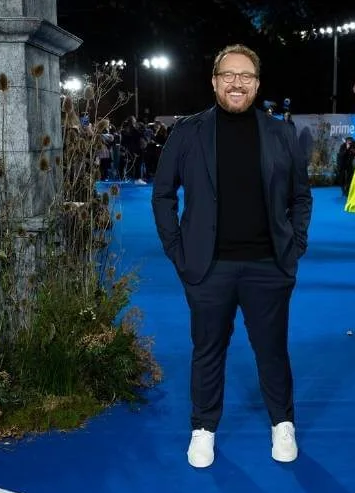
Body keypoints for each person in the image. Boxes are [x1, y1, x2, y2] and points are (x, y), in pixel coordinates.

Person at [151, 44, 313, 468]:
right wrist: (177, 252)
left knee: (272, 350)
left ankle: (283, 424)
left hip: (269, 266)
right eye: (229, 75)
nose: (237, 83)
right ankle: (203, 429)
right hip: (207, 267)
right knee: (207, 350)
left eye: (246, 76)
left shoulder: (281, 134)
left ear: (257, 85)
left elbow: (300, 197)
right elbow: (163, 194)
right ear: (214, 81)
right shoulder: (188, 132)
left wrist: (293, 250)